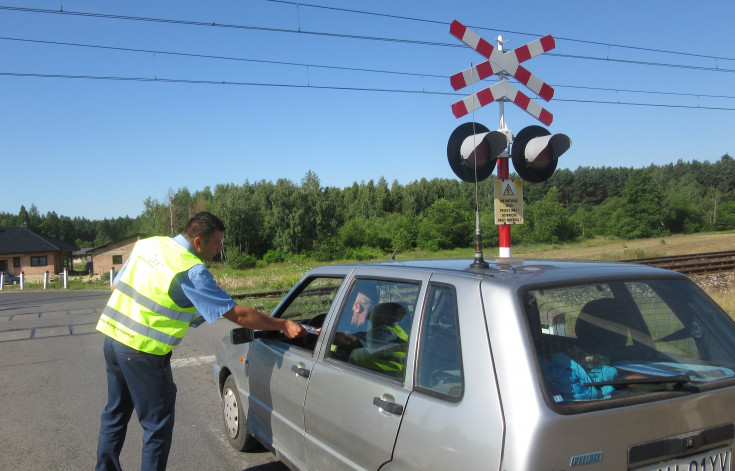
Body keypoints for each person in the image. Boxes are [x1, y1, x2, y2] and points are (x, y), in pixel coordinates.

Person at [95, 211, 305, 471]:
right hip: (143, 352)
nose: (219, 249)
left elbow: (116, 286)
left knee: (115, 414)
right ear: (198, 241)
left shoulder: (148, 244)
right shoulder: (190, 269)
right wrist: (282, 324)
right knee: (156, 427)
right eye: (216, 243)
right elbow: (237, 313)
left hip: (113, 339)